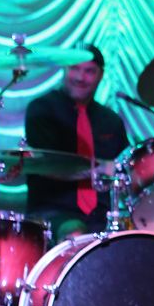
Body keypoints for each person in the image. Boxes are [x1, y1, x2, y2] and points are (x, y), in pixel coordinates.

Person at [25, 44, 129, 241]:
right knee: (75, 232)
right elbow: (49, 164)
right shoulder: (42, 109)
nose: (81, 77)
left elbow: (125, 167)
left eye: (89, 71)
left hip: (103, 214)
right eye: (74, 68)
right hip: (53, 211)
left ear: (101, 75)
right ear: (64, 69)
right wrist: (100, 167)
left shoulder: (111, 120)